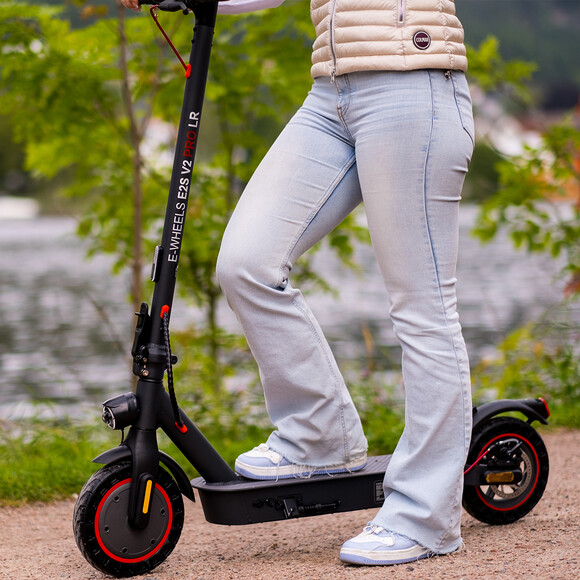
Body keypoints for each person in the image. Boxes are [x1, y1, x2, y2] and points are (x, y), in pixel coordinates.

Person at [122, 0, 475, 567]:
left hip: (413, 85)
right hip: (331, 95)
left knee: (422, 309)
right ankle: (319, 435)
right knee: (247, 263)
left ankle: (426, 516)